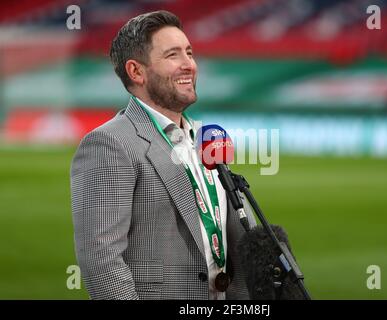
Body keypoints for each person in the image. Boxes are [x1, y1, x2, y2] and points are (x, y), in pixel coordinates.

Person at [70, 10, 256, 300]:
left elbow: (235, 241)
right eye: (173, 55)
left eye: (190, 52)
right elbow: (100, 257)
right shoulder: (109, 143)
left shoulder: (208, 137)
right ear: (136, 71)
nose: (189, 65)